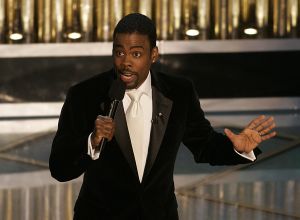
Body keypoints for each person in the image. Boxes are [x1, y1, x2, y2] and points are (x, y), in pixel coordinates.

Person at [49, 13, 276, 220]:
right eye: (119, 52)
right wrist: (92, 141)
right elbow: (59, 167)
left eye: (136, 53)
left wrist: (238, 147)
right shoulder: (84, 95)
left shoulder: (179, 92)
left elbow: (204, 146)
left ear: (154, 54)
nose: (125, 62)